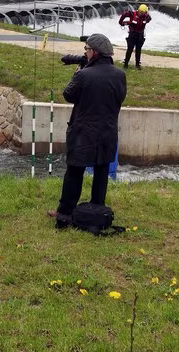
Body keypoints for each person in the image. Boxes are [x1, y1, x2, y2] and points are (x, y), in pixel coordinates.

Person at [48, 34, 126, 228]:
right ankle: (97, 209)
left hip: (83, 131)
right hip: (107, 131)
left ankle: (65, 212)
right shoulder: (120, 75)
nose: (85, 53)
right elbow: (120, 97)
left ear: (94, 52)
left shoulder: (84, 75)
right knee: (101, 171)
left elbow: (68, 95)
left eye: (86, 49)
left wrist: (78, 72)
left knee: (74, 171)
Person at [118, 4, 151, 70]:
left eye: (143, 12)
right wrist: (122, 22)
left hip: (140, 34)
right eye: (140, 12)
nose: (141, 13)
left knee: (138, 50)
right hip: (132, 34)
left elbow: (148, 20)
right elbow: (124, 14)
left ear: (145, 12)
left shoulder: (147, 17)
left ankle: (137, 65)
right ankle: (125, 64)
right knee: (130, 49)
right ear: (138, 10)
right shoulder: (132, 13)